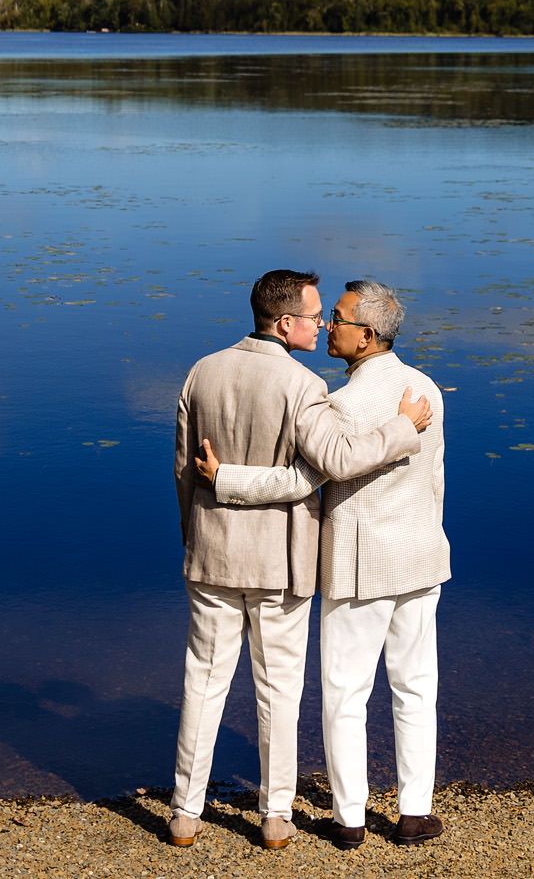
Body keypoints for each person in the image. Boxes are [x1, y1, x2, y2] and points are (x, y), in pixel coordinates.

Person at [169, 268, 433, 851]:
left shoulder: (201, 371)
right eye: (317, 316)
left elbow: (185, 469)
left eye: (329, 317)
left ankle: (186, 813)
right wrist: (401, 427)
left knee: (203, 684)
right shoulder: (308, 387)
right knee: (280, 693)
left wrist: (199, 529)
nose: (322, 324)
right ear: (286, 322)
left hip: (212, 556)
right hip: (290, 565)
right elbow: (326, 466)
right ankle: (275, 815)